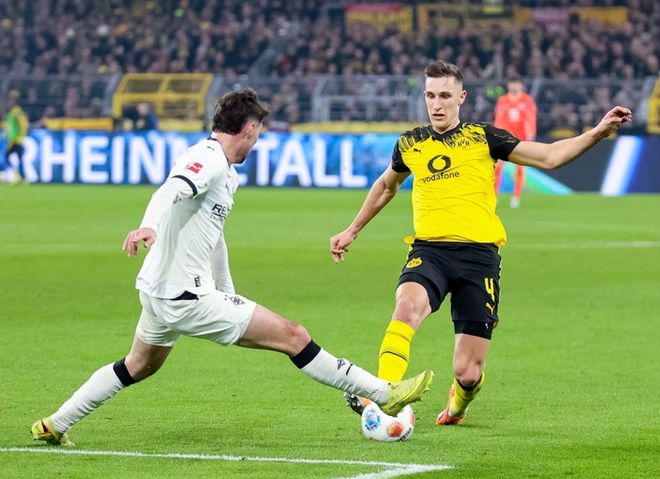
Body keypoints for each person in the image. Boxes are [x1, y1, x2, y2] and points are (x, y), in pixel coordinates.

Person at [31, 89, 433, 447]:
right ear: (249, 128)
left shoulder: (225, 171)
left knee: (138, 365)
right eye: (257, 134)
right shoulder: (206, 159)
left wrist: (227, 292)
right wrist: (148, 226)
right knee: (294, 336)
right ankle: (383, 393)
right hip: (185, 296)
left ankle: (54, 424)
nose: (256, 142)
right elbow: (170, 190)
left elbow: (214, 237)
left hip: (160, 292)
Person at [330, 60, 631, 426]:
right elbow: (384, 187)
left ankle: (457, 405)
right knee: (406, 307)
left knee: (468, 372)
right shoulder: (411, 143)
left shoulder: (484, 137)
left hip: (479, 259)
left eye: (445, 96)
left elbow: (550, 157)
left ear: (462, 97)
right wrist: (352, 230)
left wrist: (598, 132)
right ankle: (384, 394)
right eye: (430, 96)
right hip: (430, 251)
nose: (437, 104)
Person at [493, 74, 537, 208]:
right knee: (497, 167)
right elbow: (498, 119)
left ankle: (516, 196)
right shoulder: (502, 100)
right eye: (512, 83)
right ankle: (495, 194)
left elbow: (531, 119)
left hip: (521, 140)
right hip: (505, 139)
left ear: (521, 85)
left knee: (520, 169)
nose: (514, 86)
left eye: (517, 84)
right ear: (508, 85)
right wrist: (496, 135)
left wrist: (531, 136)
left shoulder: (527, 100)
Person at [1, 90, 29, 184]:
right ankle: (22, 178)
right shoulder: (12, 112)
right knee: (19, 159)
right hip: (12, 139)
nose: (9, 102)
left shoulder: (17, 111)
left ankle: (17, 176)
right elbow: (9, 127)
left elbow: (24, 124)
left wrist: (21, 137)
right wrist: (4, 135)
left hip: (16, 140)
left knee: (7, 156)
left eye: (11, 100)